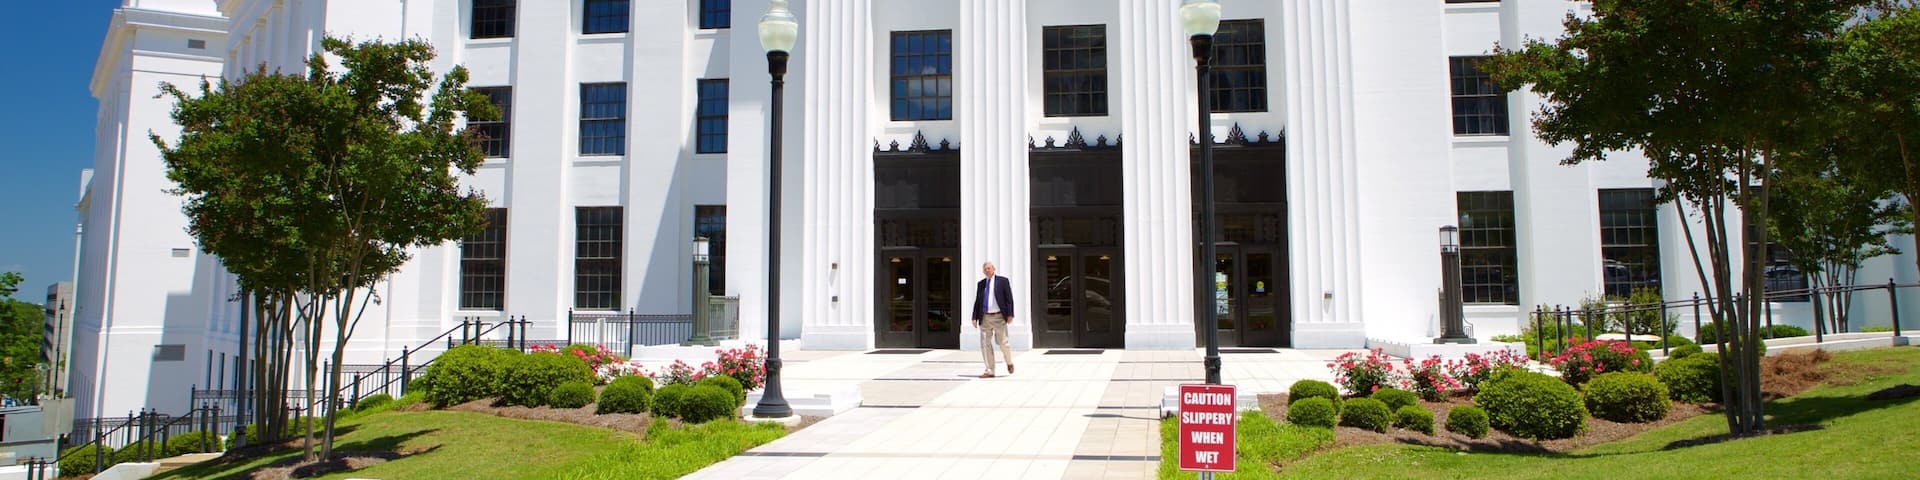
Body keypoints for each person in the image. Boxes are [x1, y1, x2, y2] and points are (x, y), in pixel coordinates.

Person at [973, 262, 1016, 378]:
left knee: (1002, 343)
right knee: (985, 344)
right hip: (985, 317)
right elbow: (978, 301)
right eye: (985, 269)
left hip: (999, 317)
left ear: (993, 269)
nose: (987, 270)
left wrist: (1010, 314)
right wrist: (974, 317)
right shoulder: (981, 284)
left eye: (989, 268)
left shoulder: (1003, 281)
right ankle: (990, 370)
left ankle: (1009, 362)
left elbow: (1009, 299)